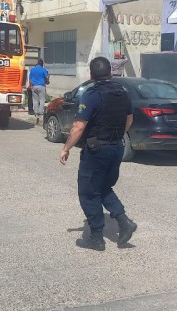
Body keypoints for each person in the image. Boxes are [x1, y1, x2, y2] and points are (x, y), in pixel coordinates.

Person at [59, 56, 137, 251]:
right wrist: (117, 136)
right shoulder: (123, 92)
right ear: (110, 72)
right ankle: (124, 221)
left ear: (91, 75)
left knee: (87, 192)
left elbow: (78, 126)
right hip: (116, 147)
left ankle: (96, 237)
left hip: (97, 150)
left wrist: (66, 148)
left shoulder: (91, 95)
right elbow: (129, 120)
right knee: (102, 187)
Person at [27, 58, 49, 125]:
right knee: (42, 99)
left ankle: (36, 112)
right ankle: (40, 112)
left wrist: (31, 86)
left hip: (34, 86)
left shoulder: (32, 70)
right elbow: (47, 77)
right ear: (42, 64)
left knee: (35, 100)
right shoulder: (43, 69)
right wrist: (47, 82)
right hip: (41, 86)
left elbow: (30, 79)